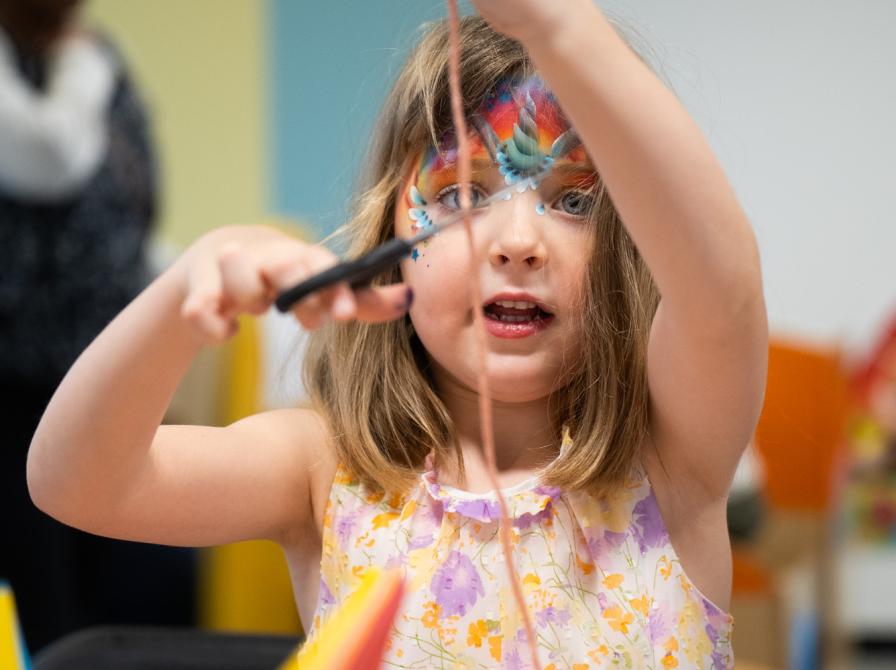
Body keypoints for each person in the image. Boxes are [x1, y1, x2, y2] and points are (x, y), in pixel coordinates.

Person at [28, 1, 767, 666]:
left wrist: (563, 25)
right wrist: (185, 288)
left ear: (636, 246)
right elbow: (77, 484)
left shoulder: (672, 459)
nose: (518, 242)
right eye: (462, 194)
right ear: (390, 241)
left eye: (573, 201)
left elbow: (722, 293)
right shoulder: (326, 470)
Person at [0, 0, 193, 652]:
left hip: (109, 364)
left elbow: (140, 195)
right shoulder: (74, 64)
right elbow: (46, 158)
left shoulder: (96, 59)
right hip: (17, 377)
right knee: (46, 587)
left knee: (139, 578)